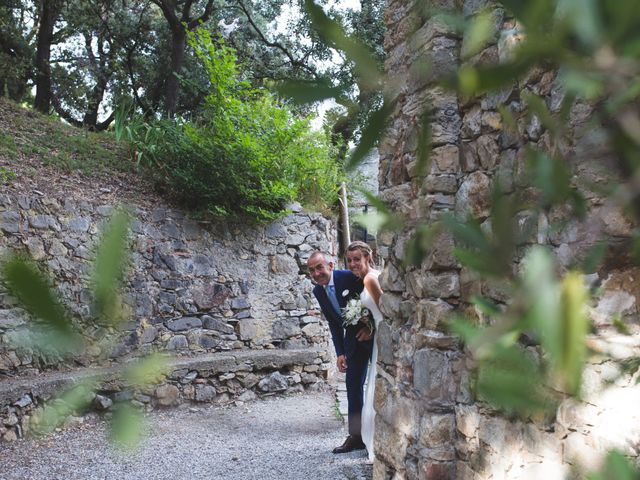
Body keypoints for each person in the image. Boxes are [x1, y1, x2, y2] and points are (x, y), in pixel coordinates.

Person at [307, 250, 374, 454]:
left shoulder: (350, 276)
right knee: (353, 386)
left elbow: (374, 300)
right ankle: (356, 436)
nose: (317, 273)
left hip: (373, 339)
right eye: (312, 271)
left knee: (380, 383)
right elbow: (334, 324)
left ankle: (381, 431)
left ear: (330, 265)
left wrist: (371, 327)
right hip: (352, 343)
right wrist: (340, 352)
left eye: (319, 267)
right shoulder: (318, 291)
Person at [345, 241, 383, 462]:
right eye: (349, 260)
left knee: (376, 382)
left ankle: (374, 437)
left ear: (368, 257)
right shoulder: (371, 276)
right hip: (376, 333)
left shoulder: (369, 278)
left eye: (357, 259)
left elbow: (385, 310)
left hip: (380, 337)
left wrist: (374, 328)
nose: (352, 264)